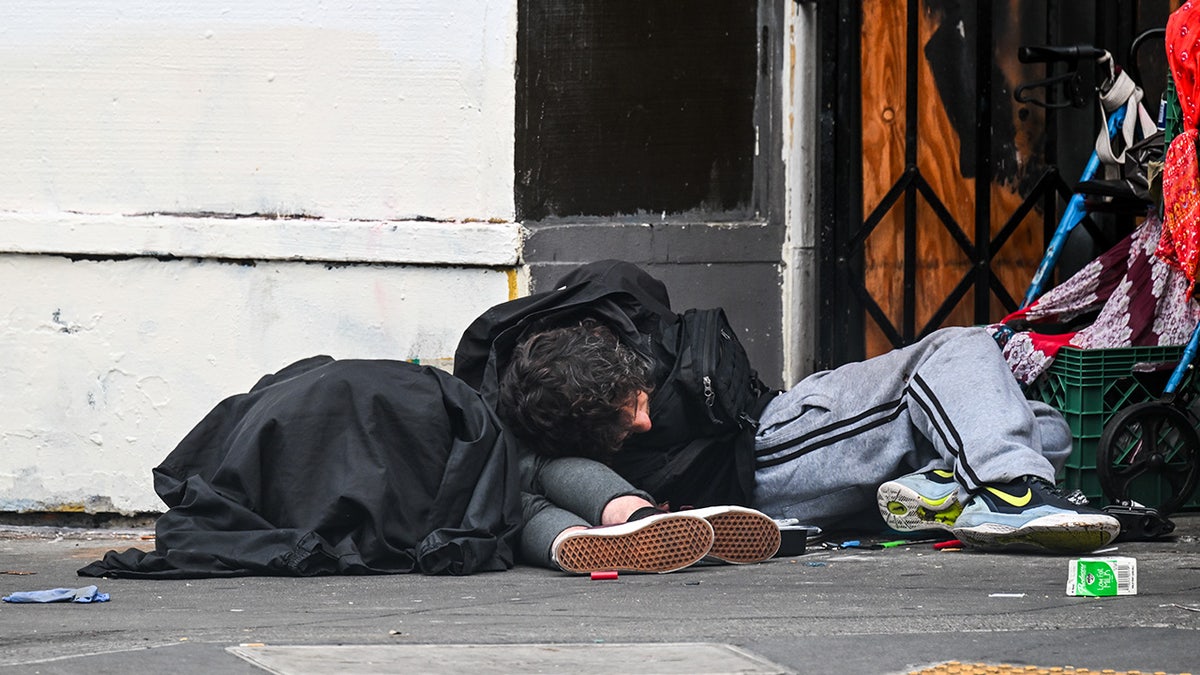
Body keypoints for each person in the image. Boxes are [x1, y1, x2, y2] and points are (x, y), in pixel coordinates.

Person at [455, 260, 1122, 556]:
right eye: (624, 423)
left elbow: (631, 283)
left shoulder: (599, 337)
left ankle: (946, 486)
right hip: (774, 450)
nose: (646, 421)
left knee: (1036, 423)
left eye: (640, 400)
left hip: (782, 425)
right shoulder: (545, 426)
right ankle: (1006, 493)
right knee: (956, 351)